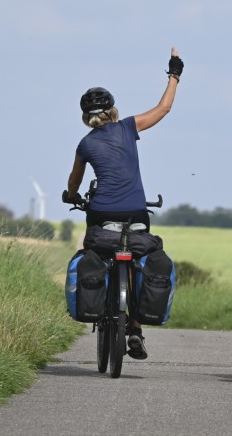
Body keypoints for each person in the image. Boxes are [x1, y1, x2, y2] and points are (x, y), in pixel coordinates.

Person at [63, 47, 183, 360]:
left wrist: (71, 196)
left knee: (99, 252)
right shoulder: (128, 128)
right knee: (139, 254)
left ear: (85, 117)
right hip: (135, 213)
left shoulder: (85, 144)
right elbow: (164, 108)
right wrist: (174, 74)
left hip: (101, 213)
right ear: (113, 110)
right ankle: (136, 327)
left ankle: (103, 299)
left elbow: (74, 182)